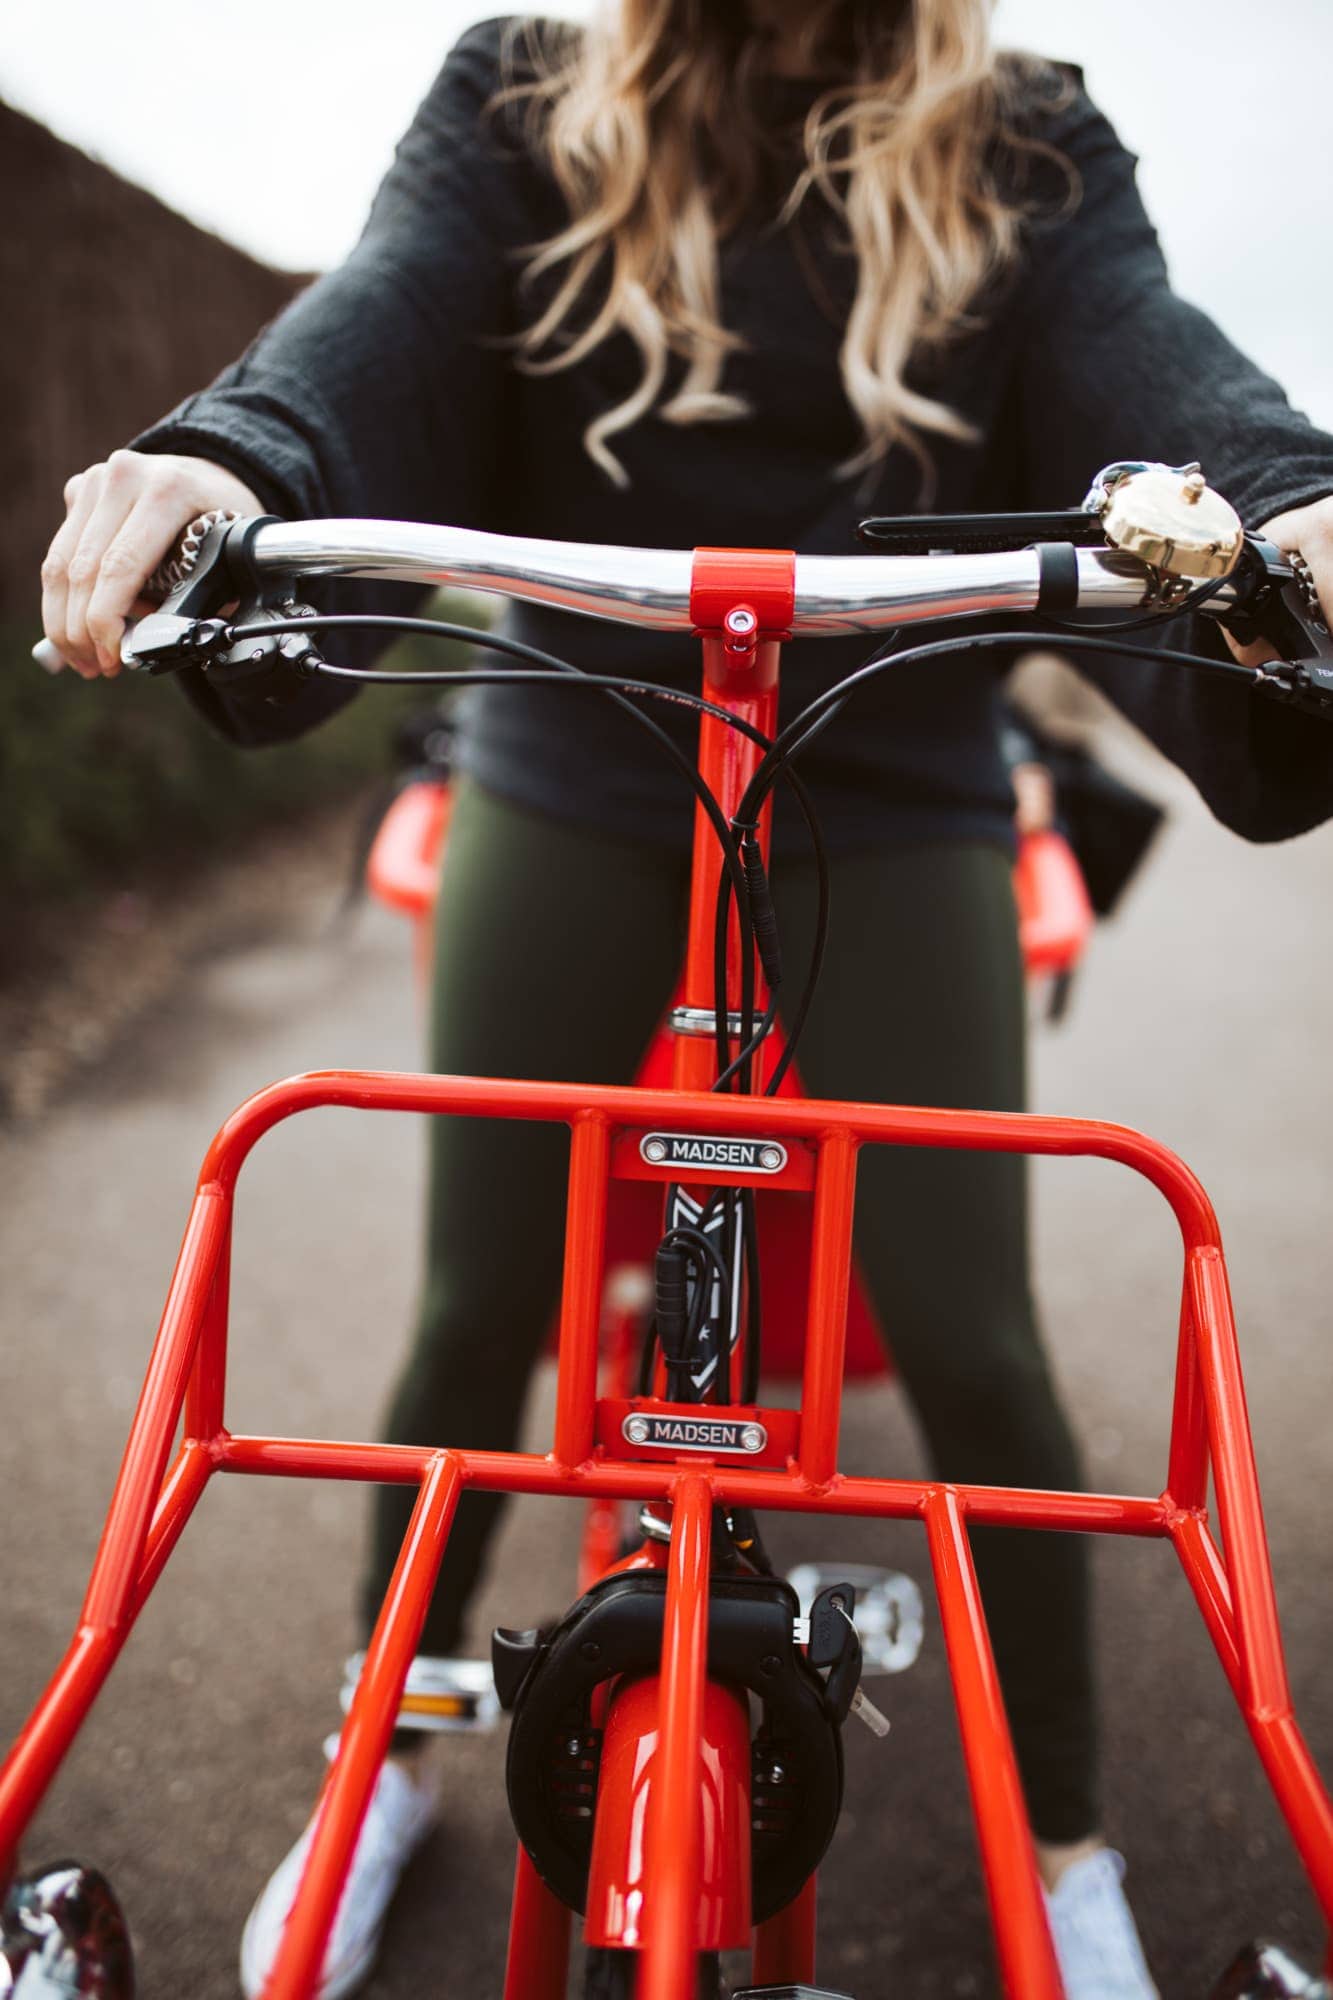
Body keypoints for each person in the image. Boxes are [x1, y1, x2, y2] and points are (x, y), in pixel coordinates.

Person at [39, 3, 1333, 1994]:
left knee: (980, 1352)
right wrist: (228, 465)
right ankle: (376, 1751)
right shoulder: (519, 95)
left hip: (896, 791)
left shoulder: (1022, 139)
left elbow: (1147, 370)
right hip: (568, 758)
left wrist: (1283, 507)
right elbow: (375, 321)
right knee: (478, 1309)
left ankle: (1066, 1843)